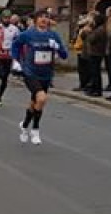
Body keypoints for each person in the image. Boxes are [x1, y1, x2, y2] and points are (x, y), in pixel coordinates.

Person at [12, 9, 69, 145]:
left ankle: (25, 125)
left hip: (46, 74)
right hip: (30, 72)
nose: (44, 19)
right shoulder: (28, 34)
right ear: (36, 20)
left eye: (46, 17)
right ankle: (35, 130)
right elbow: (16, 45)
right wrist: (15, 61)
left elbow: (64, 55)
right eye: (41, 17)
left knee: (35, 102)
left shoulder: (53, 35)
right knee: (42, 98)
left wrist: (57, 47)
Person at [0, 10, 20, 105]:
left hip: (8, 55)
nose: (6, 20)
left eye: (8, 18)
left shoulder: (15, 29)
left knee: (5, 78)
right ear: (1, 18)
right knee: (1, 72)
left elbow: (17, 41)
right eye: (5, 18)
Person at [85, 11, 107, 97]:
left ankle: (97, 90)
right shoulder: (100, 29)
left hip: (96, 53)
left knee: (95, 72)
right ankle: (94, 89)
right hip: (96, 52)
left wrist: (89, 32)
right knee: (94, 72)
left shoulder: (99, 30)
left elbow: (91, 39)